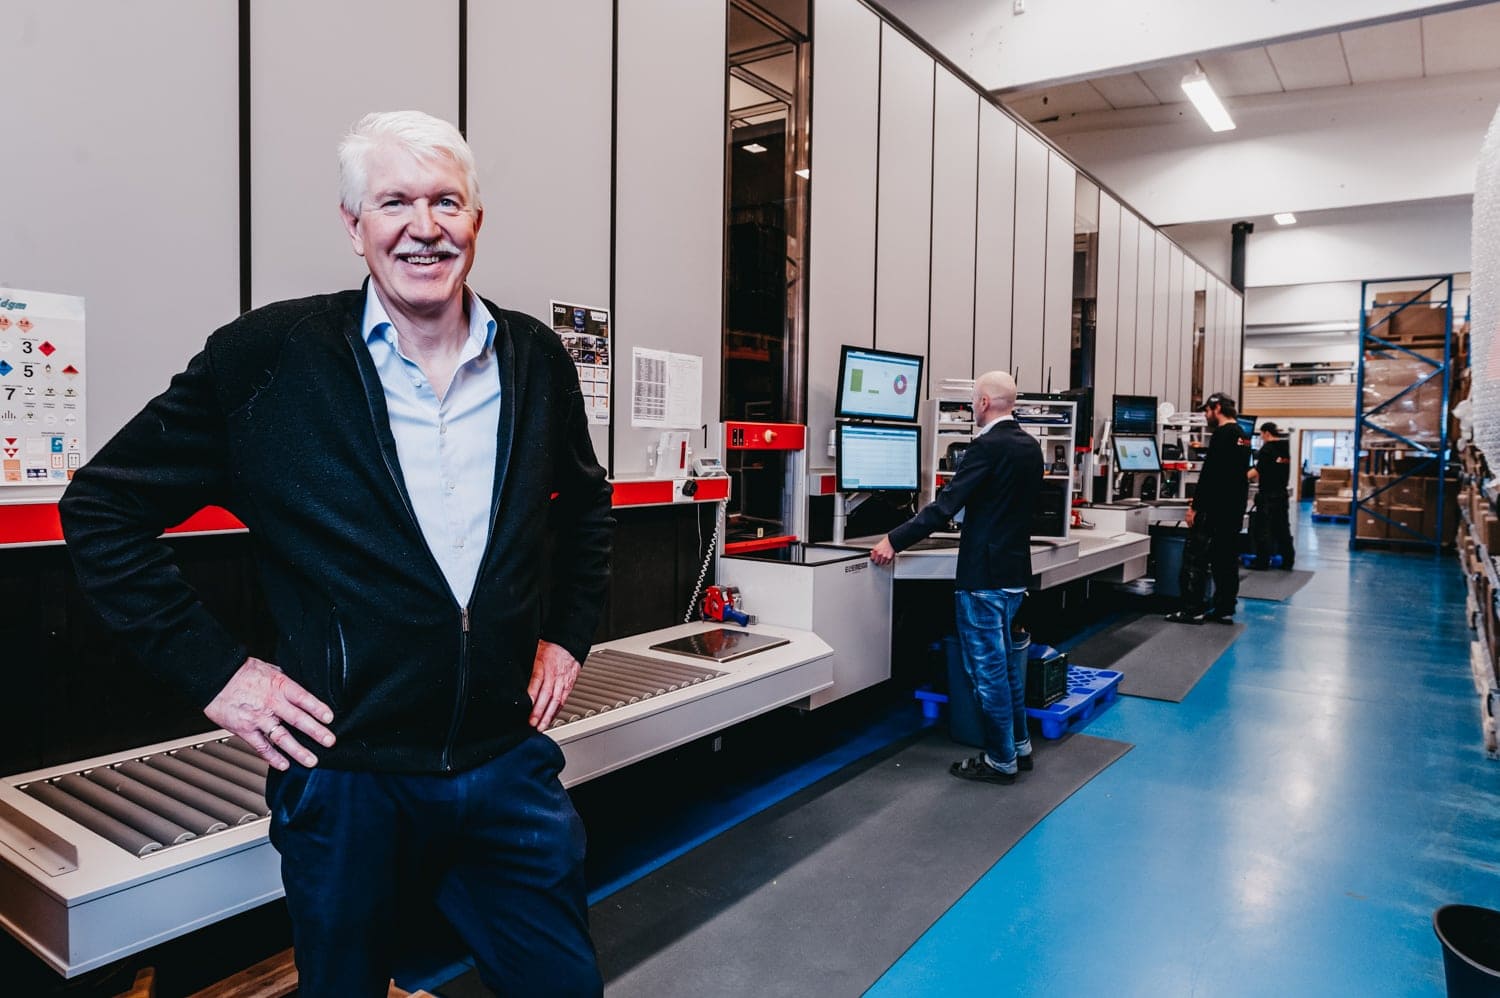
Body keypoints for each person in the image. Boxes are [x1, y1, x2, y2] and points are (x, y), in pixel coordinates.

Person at [59, 111, 612, 997]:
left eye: (446, 202)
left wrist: (570, 634)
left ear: (476, 222)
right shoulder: (270, 358)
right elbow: (101, 507)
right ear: (354, 227)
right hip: (346, 779)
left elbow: (586, 504)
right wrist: (219, 675)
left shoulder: (536, 360)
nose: (423, 228)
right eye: (394, 202)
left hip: (506, 764)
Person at [870, 371, 1042, 784]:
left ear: (983, 403)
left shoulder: (986, 447)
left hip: (983, 577)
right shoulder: (1031, 447)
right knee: (1006, 667)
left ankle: (1001, 761)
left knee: (987, 673)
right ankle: (1019, 746)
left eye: (972, 401)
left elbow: (946, 506)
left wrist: (894, 539)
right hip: (1016, 573)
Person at [1166, 391, 1250, 625]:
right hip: (1232, 510)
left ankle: (1192, 610)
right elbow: (1238, 477)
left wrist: (1195, 506)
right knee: (1226, 560)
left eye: (1206, 411)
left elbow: (1211, 475)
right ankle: (1224, 609)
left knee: (1195, 559)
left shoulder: (1222, 434)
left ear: (1217, 409)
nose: (1205, 415)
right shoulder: (1242, 436)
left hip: (1213, 510)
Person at [1248, 421, 1295, 570]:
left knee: (1263, 530)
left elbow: (1257, 471)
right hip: (1281, 494)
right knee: (1282, 529)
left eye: (1262, 435)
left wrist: (1239, 477)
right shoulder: (1285, 448)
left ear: (1266, 433)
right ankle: (1288, 561)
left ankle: (1262, 562)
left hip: (1267, 496)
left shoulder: (1267, 449)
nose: (1262, 438)